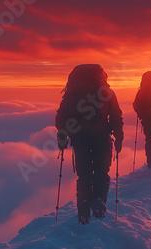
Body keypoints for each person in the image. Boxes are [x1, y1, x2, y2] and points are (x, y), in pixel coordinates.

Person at [55, 64, 124, 225]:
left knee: (84, 175)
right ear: (102, 77)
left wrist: (63, 137)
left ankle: (83, 213)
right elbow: (115, 116)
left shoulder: (70, 94)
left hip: (79, 138)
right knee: (101, 171)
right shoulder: (107, 92)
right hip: (102, 136)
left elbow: (60, 118)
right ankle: (99, 204)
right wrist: (119, 137)